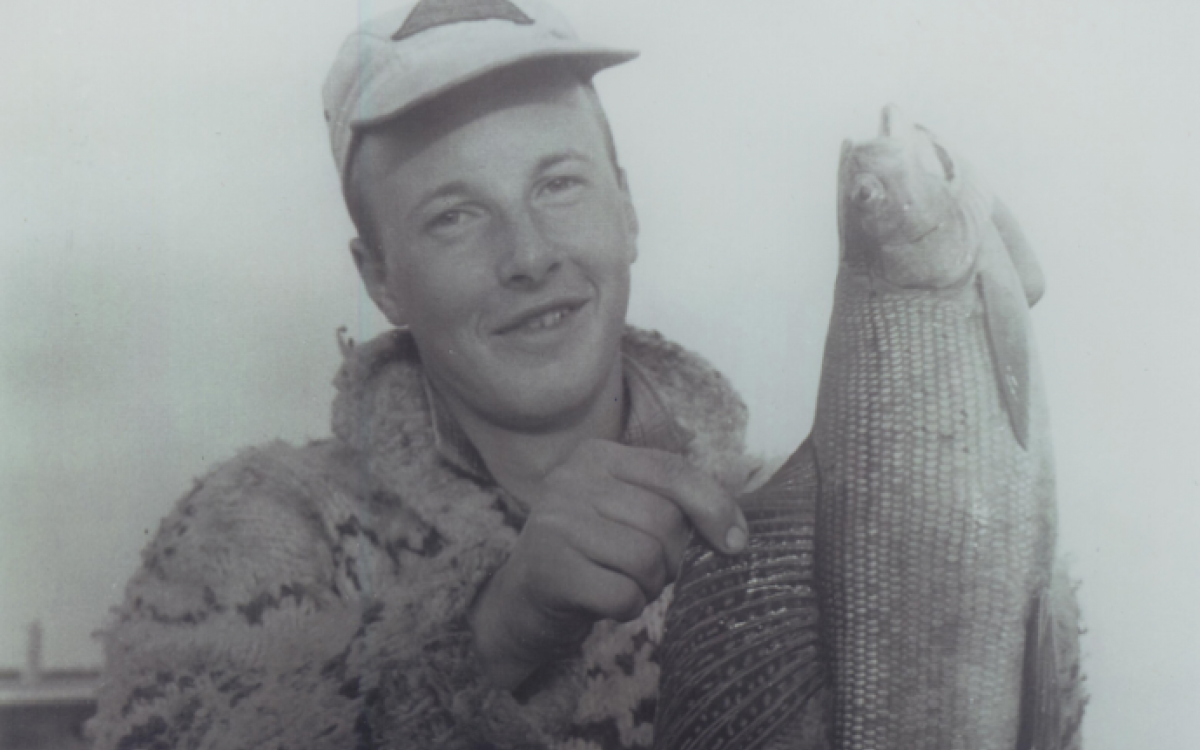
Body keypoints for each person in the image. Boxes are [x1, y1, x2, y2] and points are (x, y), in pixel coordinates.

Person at [88, 1, 760, 748]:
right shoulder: (258, 531)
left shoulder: (779, 520)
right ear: (381, 278)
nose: (530, 256)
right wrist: (494, 639)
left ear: (627, 207)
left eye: (559, 184)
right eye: (455, 216)